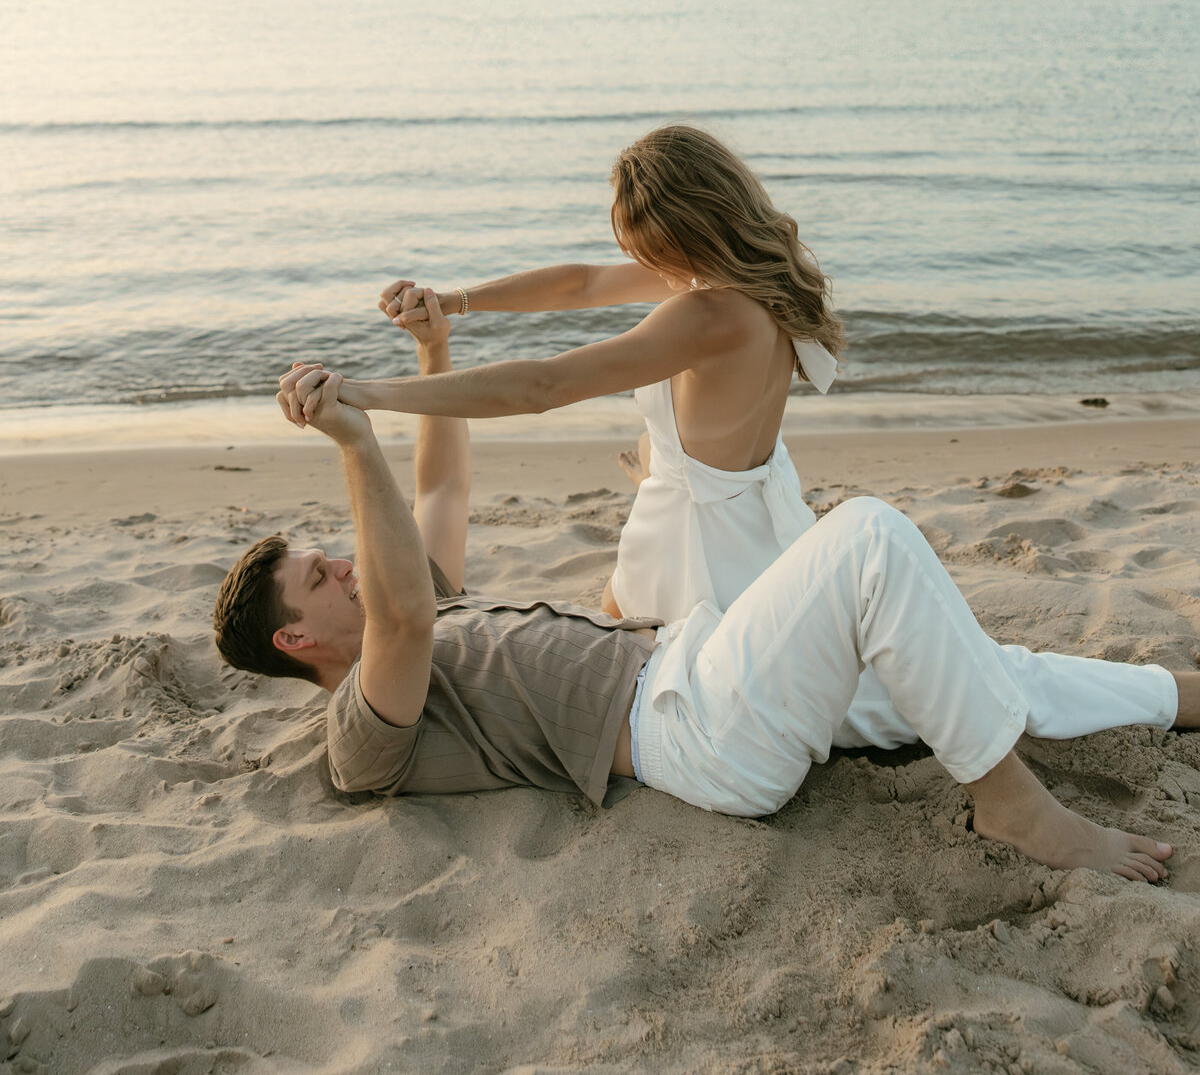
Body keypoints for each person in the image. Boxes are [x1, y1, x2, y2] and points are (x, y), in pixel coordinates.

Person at [212, 295, 1195, 883]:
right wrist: (353, 435)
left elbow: (442, 487)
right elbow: (405, 614)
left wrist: (431, 355)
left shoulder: (424, 607)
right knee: (868, 541)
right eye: (318, 577)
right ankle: (1013, 806)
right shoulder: (362, 726)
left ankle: (1176, 698)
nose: (342, 564)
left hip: (702, 660)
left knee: (960, 663)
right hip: (694, 727)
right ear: (296, 641)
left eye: (329, 555)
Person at [365, 124, 842, 624]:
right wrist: (456, 301)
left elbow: (542, 386)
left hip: (697, 540)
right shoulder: (764, 274)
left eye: (645, 243)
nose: (635, 258)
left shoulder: (706, 315)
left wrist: (369, 393)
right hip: (757, 512)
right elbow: (583, 284)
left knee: (630, 637)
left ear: (681, 229)